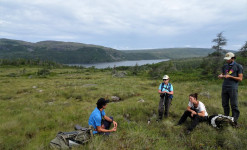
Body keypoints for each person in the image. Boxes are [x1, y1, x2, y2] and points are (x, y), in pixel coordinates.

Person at [218, 52, 243, 125]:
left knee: (234, 104)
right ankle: (226, 117)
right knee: (224, 103)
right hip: (224, 87)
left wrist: (231, 76)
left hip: (233, 87)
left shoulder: (238, 66)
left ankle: (234, 120)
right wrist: (220, 76)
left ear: (233, 58)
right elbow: (223, 74)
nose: (227, 60)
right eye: (226, 59)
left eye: (228, 59)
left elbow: (240, 79)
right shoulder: (225, 66)